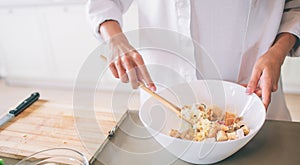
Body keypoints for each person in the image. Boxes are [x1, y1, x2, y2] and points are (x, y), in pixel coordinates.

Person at [86, 0, 300, 121]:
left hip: (253, 97)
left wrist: (277, 53)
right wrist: (115, 39)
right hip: (167, 97)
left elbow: (295, 7)